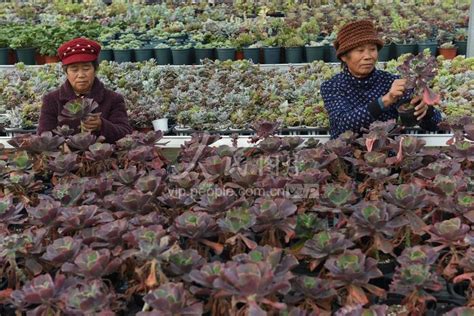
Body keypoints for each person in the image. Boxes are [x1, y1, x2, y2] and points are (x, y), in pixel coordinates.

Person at [321, 20, 442, 139]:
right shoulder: (332, 86)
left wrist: (426, 110)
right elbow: (344, 124)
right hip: (347, 153)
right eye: (360, 51)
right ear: (343, 56)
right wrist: (386, 100)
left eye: (372, 49)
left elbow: (435, 126)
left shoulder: (391, 81)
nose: (368, 56)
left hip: (387, 153)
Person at [37, 37, 133, 143]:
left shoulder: (113, 99)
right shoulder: (52, 100)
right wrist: (62, 146)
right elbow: (43, 135)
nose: (81, 75)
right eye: (74, 69)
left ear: (95, 70)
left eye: (86, 68)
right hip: (63, 158)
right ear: (66, 72)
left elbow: (125, 132)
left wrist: (102, 125)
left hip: (104, 158)